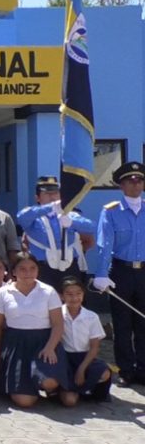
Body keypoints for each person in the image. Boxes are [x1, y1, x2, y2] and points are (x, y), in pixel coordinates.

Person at [0, 252, 69, 408]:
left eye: (32, 268)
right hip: (16, 345)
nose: (28, 273)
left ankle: (53, 387)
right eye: (22, 269)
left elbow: (58, 325)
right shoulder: (3, 292)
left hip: (43, 343)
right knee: (25, 401)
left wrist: (50, 347)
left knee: (49, 383)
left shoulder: (48, 291)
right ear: (13, 271)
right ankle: (29, 387)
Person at [93, 161, 145, 386]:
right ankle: (126, 370)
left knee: (143, 323)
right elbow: (105, 244)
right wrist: (101, 274)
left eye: (140, 180)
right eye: (130, 181)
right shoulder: (111, 211)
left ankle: (143, 369)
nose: (136, 185)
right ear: (121, 185)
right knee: (122, 324)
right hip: (121, 271)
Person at [16, 176, 96, 291]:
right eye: (47, 194)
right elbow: (21, 217)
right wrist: (50, 207)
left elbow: (92, 226)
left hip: (69, 267)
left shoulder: (69, 214)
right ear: (37, 198)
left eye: (56, 193)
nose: (52, 197)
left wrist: (72, 222)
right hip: (43, 269)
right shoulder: (34, 217)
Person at [59, 277, 112, 405]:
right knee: (69, 401)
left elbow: (94, 347)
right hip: (65, 358)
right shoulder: (58, 314)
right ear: (61, 296)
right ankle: (64, 391)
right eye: (69, 294)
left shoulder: (91, 317)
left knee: (104, 373)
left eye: (78, 294)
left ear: (83, 295)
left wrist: (81, 369)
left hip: (86, 358)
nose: (74, 298)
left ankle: (93, 392)